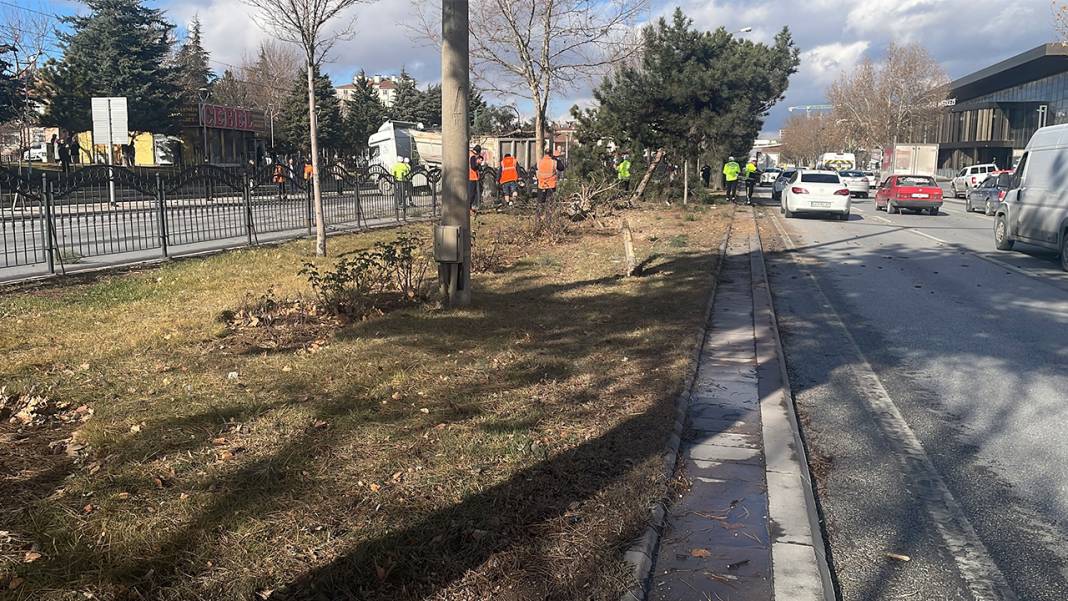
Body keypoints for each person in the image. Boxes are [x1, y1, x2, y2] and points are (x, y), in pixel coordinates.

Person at [535, 150, 558, 225]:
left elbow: (533, 169)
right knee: (549, 203)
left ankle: (538, 219)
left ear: (544, 154)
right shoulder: (553, 162)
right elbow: (561, 168)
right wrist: (556, 158)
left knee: (540, 203)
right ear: (551, 154)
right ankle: (548, 220)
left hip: (541, 185)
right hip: (551, 185)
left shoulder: (540, 162)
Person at [468, 145, 484, 210]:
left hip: (469, 176)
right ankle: (469, 208)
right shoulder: (472, 156)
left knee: (471, 193)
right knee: (472, 193)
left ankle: (470, 207)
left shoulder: (469, 154)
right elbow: (473, 167)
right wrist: (478, 164)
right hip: (472, 177)